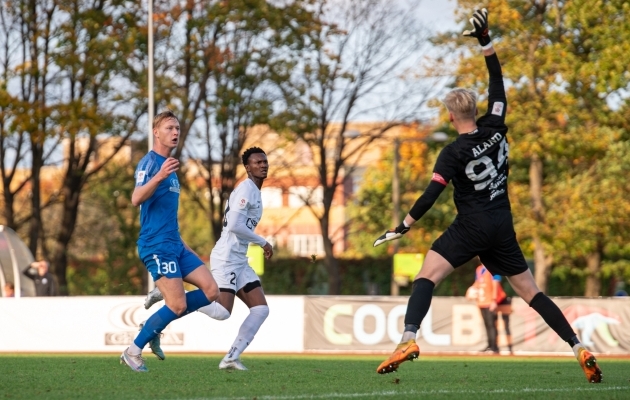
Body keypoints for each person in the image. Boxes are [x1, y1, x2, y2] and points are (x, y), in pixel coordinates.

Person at [372, 9, 602, 383]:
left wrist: (403, 226)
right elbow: (498, 83)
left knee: (426, 277)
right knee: (531, 292)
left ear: (450, 116)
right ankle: (578, 346)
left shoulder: (452, 153)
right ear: (476, 111)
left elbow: (431, 195)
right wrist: (485, 41)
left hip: (472, 225)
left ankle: (408, 338)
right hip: (502, 225)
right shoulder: (496, 125)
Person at [144, 147, 274, 370]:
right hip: (226, 258)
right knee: (222, 312)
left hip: (239, 260)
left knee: (261, 309)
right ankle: (172, 292)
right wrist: (262, 241)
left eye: (264, 161)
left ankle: (231, 357)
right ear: (247, 167)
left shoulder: (254, 191)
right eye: (257, 162)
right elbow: (234, 225)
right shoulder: (246, 190)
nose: (262, 165)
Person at [120, 110, 220, 373]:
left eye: (177, 128)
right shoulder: (150, 163)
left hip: (175, 244)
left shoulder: (171, 168)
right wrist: (160, 176)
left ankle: (156, 324)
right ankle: (132, 352)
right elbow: (135, 198)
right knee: (177, 304)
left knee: (212, 291)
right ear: (156, 132)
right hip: (156, 246)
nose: (175, 132)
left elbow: (168, 217)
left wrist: (187, 248)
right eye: (169, 128)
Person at [466, 259, 513, 354]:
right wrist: (471, 290)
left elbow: (496, 283)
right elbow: (477, 282)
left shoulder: (493, 268)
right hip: (482, 301)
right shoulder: (479, 269)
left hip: (493, 300)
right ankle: (490, 345)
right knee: (487, 324)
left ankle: (495, 347)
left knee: (494, 324)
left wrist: (494, 300)